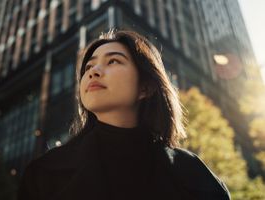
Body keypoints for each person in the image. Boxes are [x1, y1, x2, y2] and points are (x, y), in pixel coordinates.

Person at [18, 30, 231, 200]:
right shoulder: (44, 173)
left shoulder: (194, 175)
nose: (93, 71)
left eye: (113, 61)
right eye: (89, 66)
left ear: (145, 87)